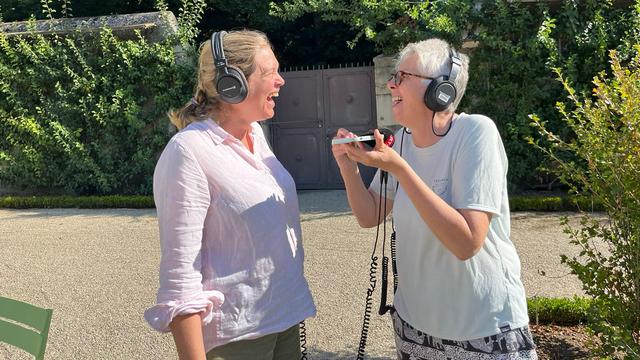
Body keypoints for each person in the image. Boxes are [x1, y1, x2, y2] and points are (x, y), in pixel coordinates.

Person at [332, 38, 537, 359]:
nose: (390, 83)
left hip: (482, 328)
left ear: (441, 91)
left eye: (401, 77)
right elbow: (369, 216)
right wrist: (348, 167)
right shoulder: (400, 142)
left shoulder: (475, 133)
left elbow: (467, 242)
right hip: (414, 327)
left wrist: (400, 170)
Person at [144, 29, 316, 360]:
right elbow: (180, 277)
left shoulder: (255, 135)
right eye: (270, 73)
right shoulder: (189, 151)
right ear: (231, 84)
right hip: (238, 338)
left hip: (285, 319)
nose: (281, 81)